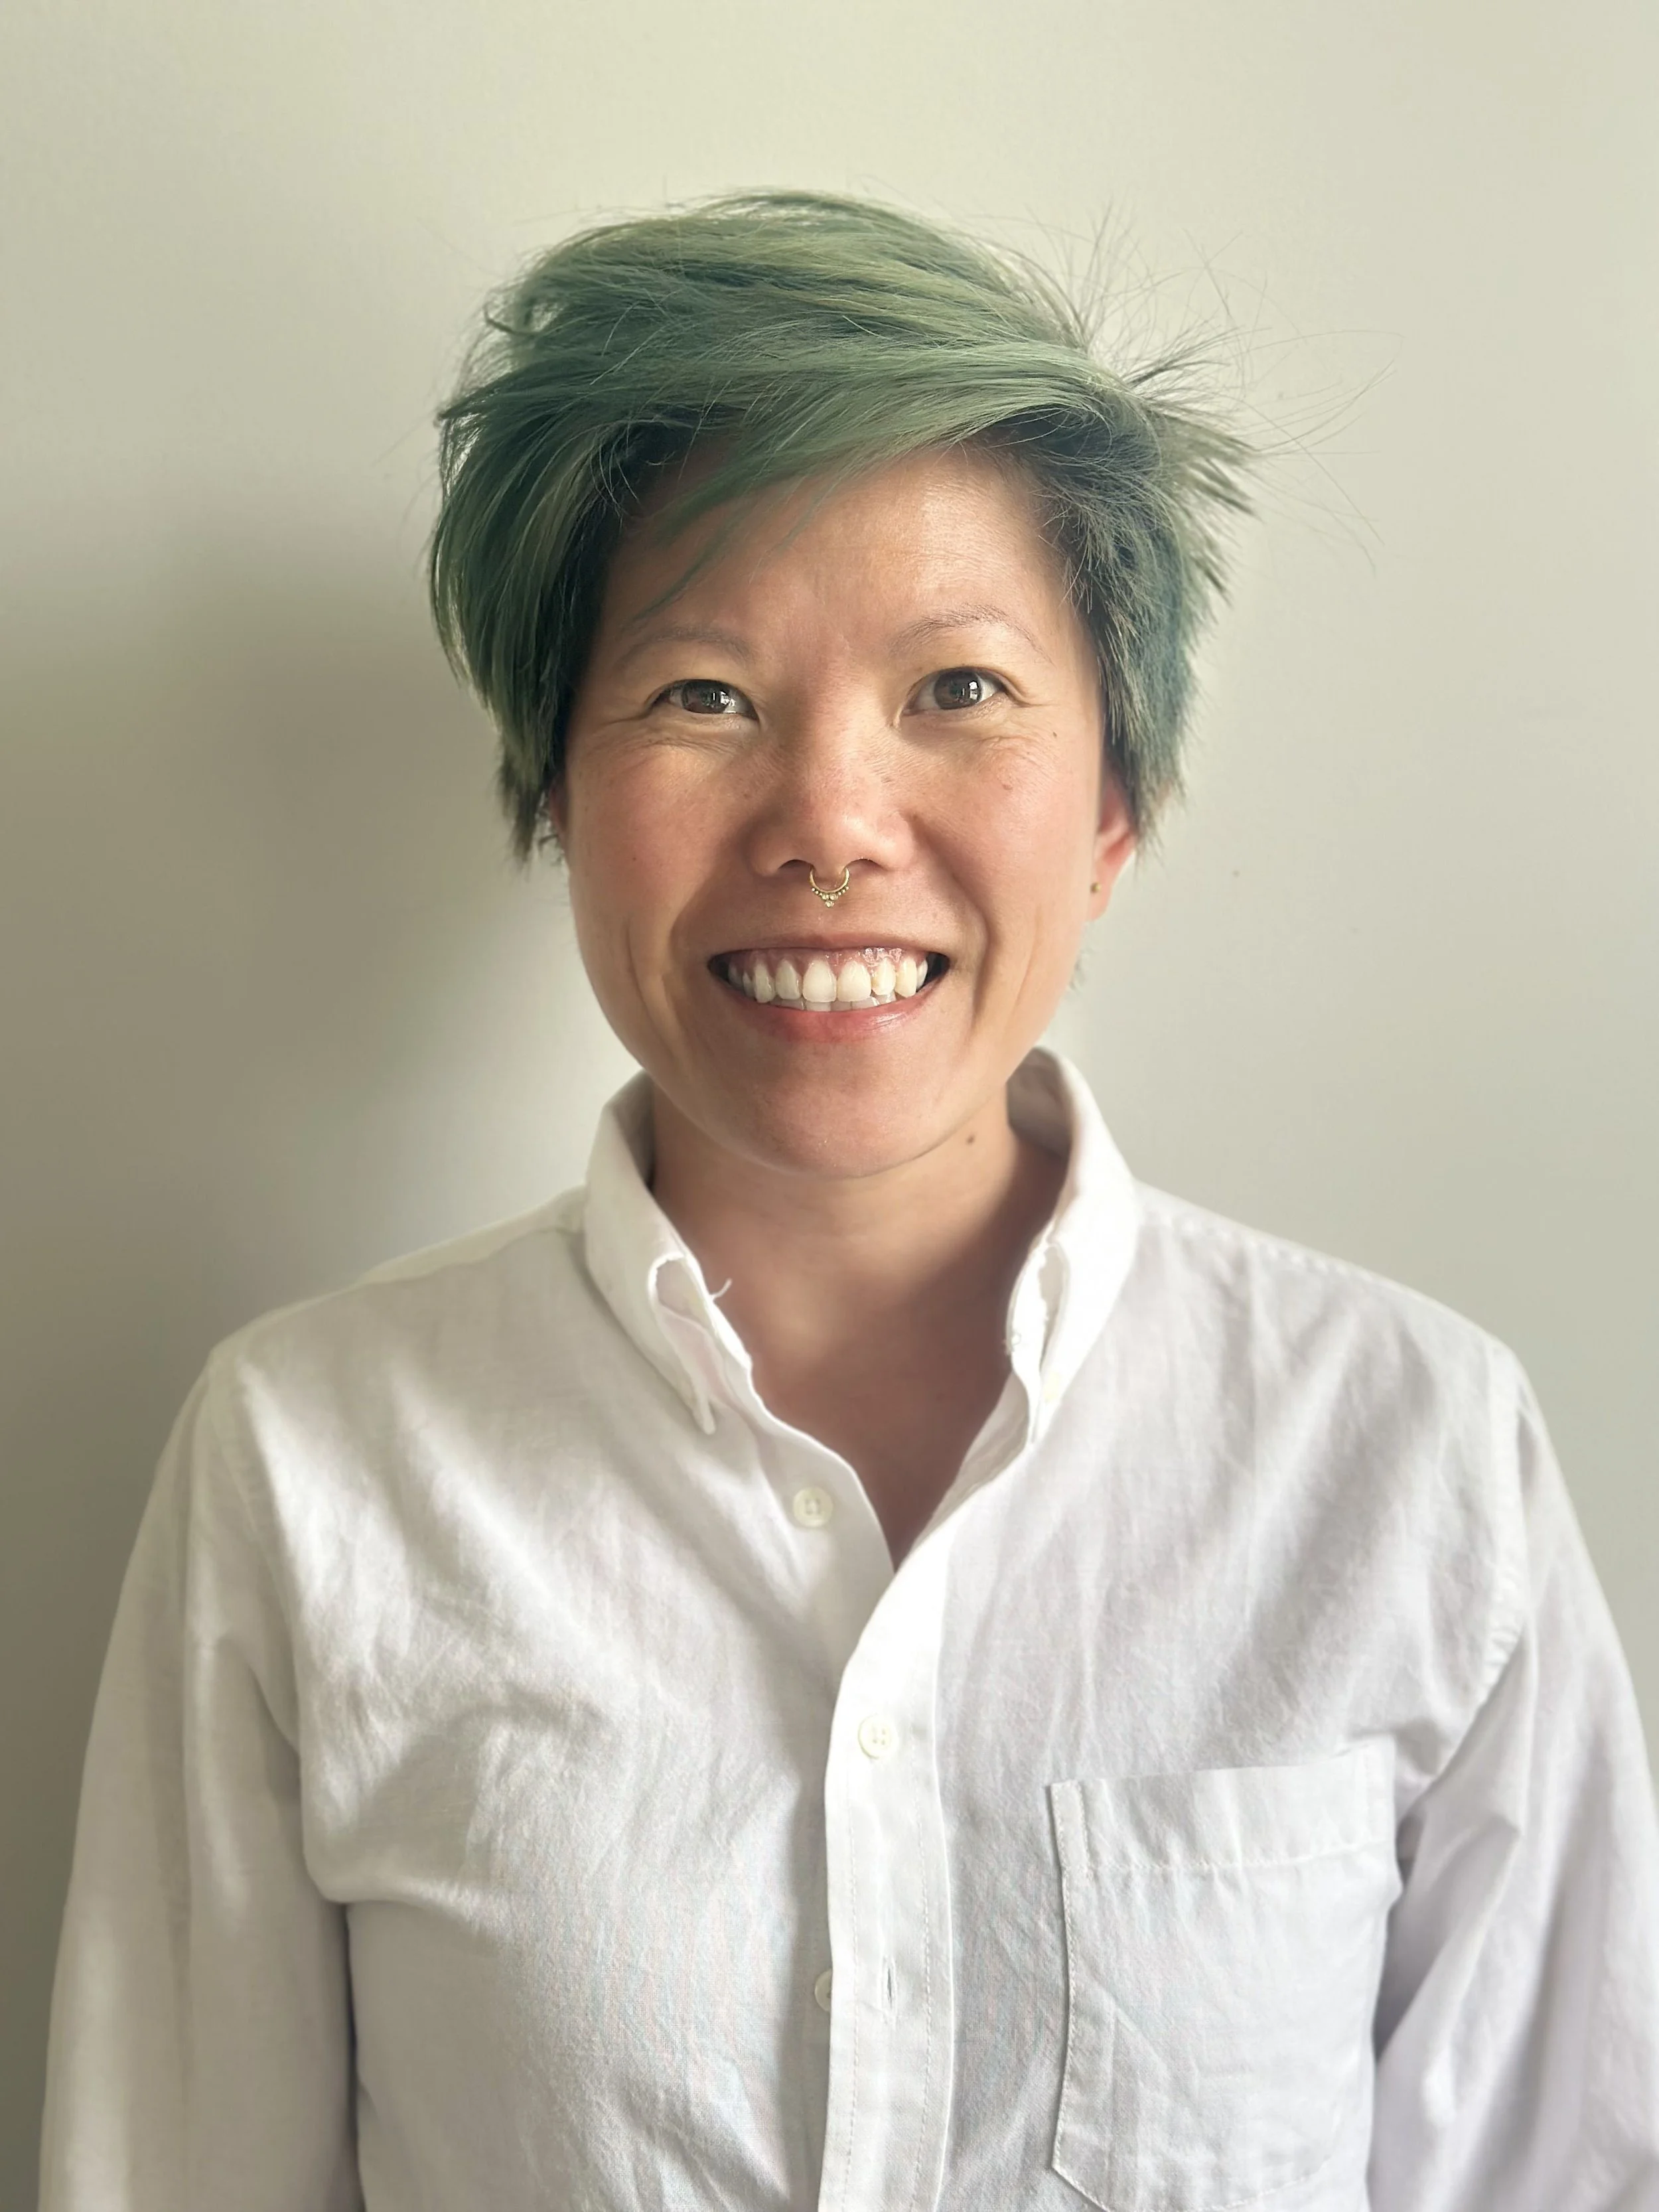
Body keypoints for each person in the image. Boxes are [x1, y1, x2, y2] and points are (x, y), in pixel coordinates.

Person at [38, 190, 1659, 2211]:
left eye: (958, 688)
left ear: (1114, 811)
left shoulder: (1409, 1455)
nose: (826, 818)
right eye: (700, 695)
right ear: (556, 792)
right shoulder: (308, 1460)